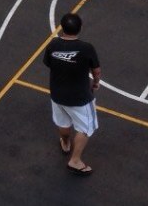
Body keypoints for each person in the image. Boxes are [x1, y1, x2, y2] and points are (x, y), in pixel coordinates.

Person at [43, 12, 101, 176]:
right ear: (80, 28)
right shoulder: (86, 48)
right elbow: (96, 70)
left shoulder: (53, 45)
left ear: (62, 28)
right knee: (86, 128)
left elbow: (48, 63)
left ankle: (66, 142)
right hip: (80, 98)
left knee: (63, 121)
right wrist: (96, 83)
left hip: (57, 94)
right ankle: (75, 161)